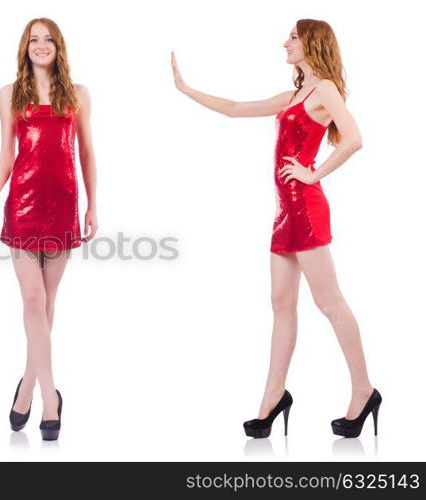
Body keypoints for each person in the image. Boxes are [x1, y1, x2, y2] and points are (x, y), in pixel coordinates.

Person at [171, 19, 381, 438]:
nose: (284, 43)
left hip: (305, 208)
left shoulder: (324, 91)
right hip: (285, 212)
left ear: (310, 43)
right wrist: (186, 89)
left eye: (291, 37)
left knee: (329, 302)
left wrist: (313, 173)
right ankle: (273, 397)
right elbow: (234, 108)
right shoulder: (294, 96)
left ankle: (364, 391)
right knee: (281, 303)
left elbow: (354, 138)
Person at [0, 17, 98, 441]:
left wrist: (93, 206)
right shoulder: (9, 94)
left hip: (64, 205)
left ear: (58, 46)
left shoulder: (78, 94)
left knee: (46, 307)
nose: (41, 45)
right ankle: (50, 396)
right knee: (32, 300)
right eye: (34, 40)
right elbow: (5, 152)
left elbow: (86, 152)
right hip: (23, 207)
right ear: (24, 47)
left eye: (48, 39)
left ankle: (26, 384)